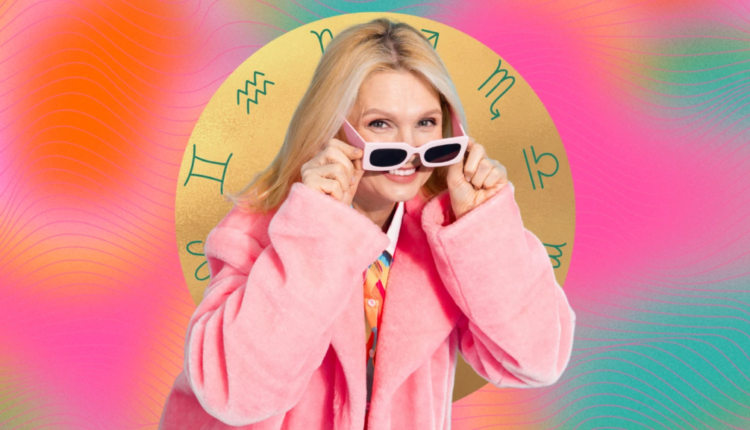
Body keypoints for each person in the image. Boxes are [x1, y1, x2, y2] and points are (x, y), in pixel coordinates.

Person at [159, 17, 576, 430]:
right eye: (380, 124)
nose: (410, 148)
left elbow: (537, 361)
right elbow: (235, 392)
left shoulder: (449, 237)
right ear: (334, 129)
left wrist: (483, 229)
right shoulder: (256, 232)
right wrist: (317, 231)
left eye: (426, 123)